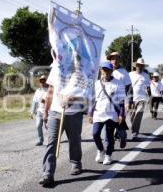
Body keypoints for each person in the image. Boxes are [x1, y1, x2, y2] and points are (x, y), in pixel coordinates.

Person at [39, 55, 90, 187]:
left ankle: (76, 163)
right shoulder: (56, 69)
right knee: (52, 142)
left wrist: (72, 99)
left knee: (74, 140)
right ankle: (48, 173)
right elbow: (50, 91)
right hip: (55, 113)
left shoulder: (81, 73)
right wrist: (45, 111)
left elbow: (87, 97)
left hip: (74, 114)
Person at [88, 61, 126, 165]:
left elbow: (121, 101)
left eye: (108, 70)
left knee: (109, 136)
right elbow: (93, 100)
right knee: (95, 134)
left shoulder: (118, 83)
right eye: (103, 69)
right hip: (98, 113)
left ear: (111, 71)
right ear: (101, 70)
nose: (105, 72)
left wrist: (122, 114)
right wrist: (90, 114)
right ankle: (100, 150)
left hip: (112, 113)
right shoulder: (96, 84)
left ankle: (108, 155)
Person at [107, 52, 131, 147]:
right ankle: (109, 147)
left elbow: (129, 88)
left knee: (119, 121)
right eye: (113, 58)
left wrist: (128, 101)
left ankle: (122, 135)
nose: (115, 60)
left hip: (120, 102)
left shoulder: (124, 72)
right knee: (108, 124)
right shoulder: (105, 70)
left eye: (117, 58)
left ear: (119, 60)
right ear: (110, 60)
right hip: (107, 102)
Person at [129, 58, 151, 140]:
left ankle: (135, 134)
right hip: (131, 99)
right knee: (132, 117)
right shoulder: (130, 74)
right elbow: (127, 86)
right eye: (139, 65)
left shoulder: (146, 76)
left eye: (142, 66)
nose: (140, 67)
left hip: (142, 99)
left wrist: (150, 96)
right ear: (136, 66)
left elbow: (148, 87)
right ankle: (135, 128)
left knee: (138, 114)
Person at [30, 75, 48, 146]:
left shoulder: (50, 90)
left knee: (49, 127)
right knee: (38, 126)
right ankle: (41, 140)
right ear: (40, 82)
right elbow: (35, 102)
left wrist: (46, 101)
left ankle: (53, 140)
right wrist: (32, 112)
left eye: (44, 80)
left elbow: (53, 100)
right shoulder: (38, 91)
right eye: (41, 81)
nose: (42, 82)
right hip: (40, 112)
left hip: (48, 112)